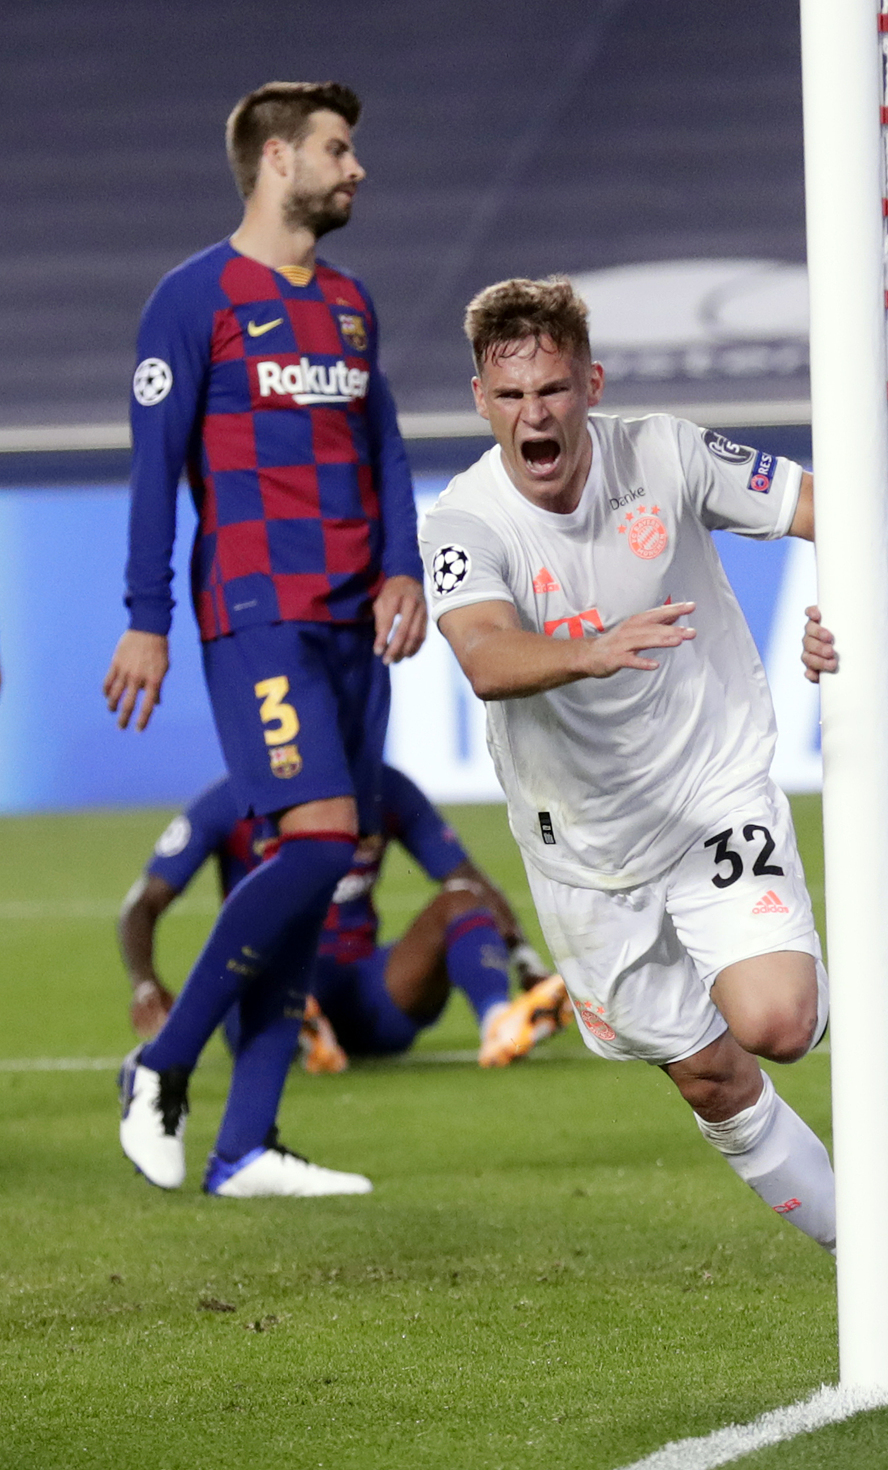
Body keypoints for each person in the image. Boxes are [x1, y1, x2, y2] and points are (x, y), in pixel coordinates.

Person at [419, 276, 837, 1252]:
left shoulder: (668, 454)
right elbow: (484, 657)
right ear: (480, 400)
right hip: (583, 853)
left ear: (591, 385)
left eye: (554, 390)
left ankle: (883, 1269)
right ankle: (882, 1258)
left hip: (708, 791)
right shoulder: (463, 523)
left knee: (774, 1021)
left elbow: (832, 510)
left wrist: (840, 620)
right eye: (511, 395)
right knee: (710, 1077)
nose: (535, 415)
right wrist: (590, 649)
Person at [103, 82, 427, 1198]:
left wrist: (403, 565)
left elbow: (382, 443)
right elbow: (156, 469)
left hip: (351, 621)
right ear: (279, 159)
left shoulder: (349, 304)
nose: (357, 167)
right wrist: (146, 618)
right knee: (324, 839)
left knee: (319, 860)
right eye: (339, 150)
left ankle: (245, 1144)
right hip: (256, 611)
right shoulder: (192, 300)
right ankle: (161, 1063)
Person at [119, 766, 570, 1069]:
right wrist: (145, 982)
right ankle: (299, 1027)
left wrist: (527, 961)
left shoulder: (383, 787)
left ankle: (499, 1023)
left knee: (460, 900)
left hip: (369, 993)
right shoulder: (234, 798)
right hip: (268, 983)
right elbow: (143, 903)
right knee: (258, 935)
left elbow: (470, 881)